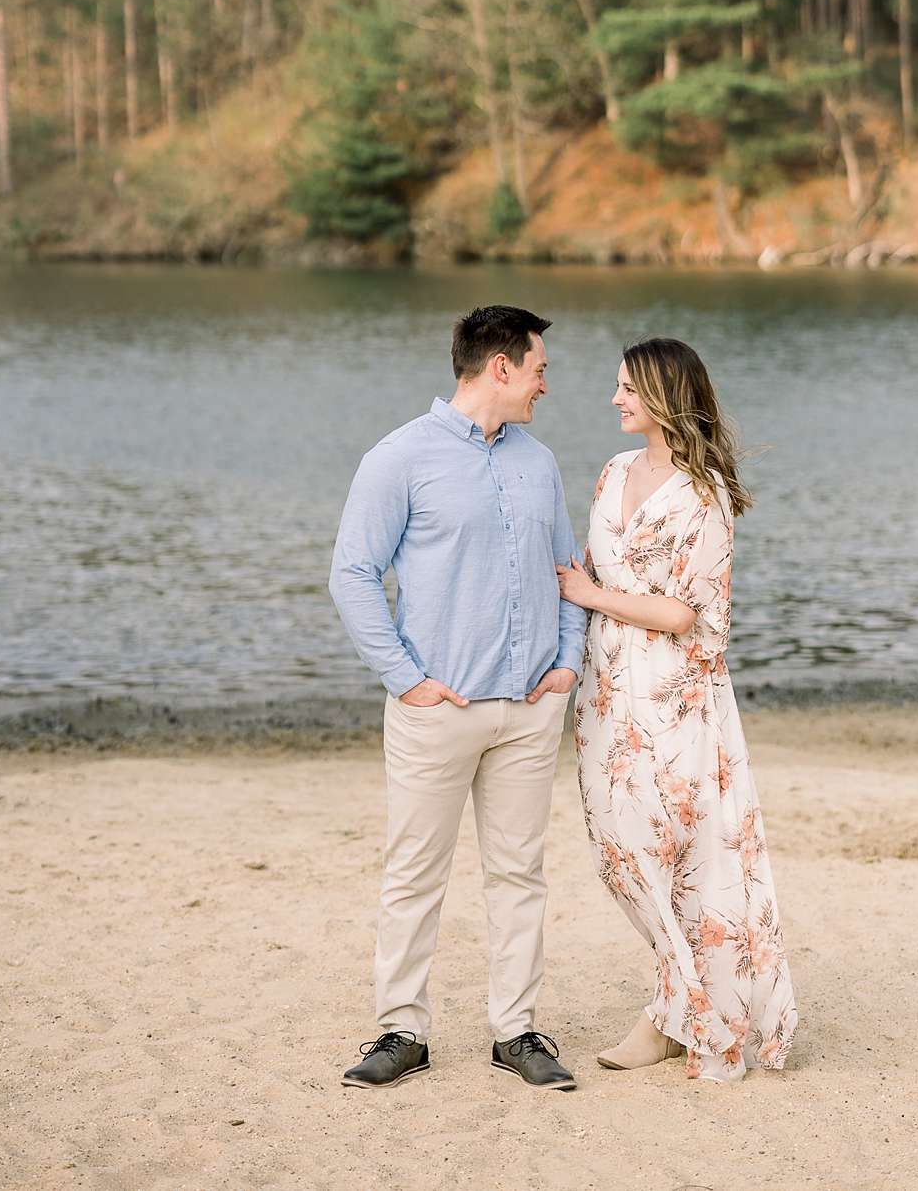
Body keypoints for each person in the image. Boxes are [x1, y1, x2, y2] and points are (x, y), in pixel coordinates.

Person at [329, 304, 584, 1093]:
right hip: (437, 711)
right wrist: (405, 679)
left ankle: (517, 1031)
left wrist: (568, 665)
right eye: (539, 368)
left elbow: (567, 567)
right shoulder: (399, 458)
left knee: (520, 873)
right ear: (500, 368)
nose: (548, 383)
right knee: (415, 872)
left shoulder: (538, 461)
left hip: (528, 709)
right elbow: (352, 575)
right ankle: (403, 1029)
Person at [557, 336, 798, 1082]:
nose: (615, 399)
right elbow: (581, 569)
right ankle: (678, 999)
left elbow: (688, 614)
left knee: (683, 855)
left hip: (675, 697)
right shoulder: (611, 473)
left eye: (628, 388)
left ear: (663, 395)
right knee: (619, 850)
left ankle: (679, 1012)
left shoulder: (705, 494)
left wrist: (594, 597)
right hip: (605, 694)